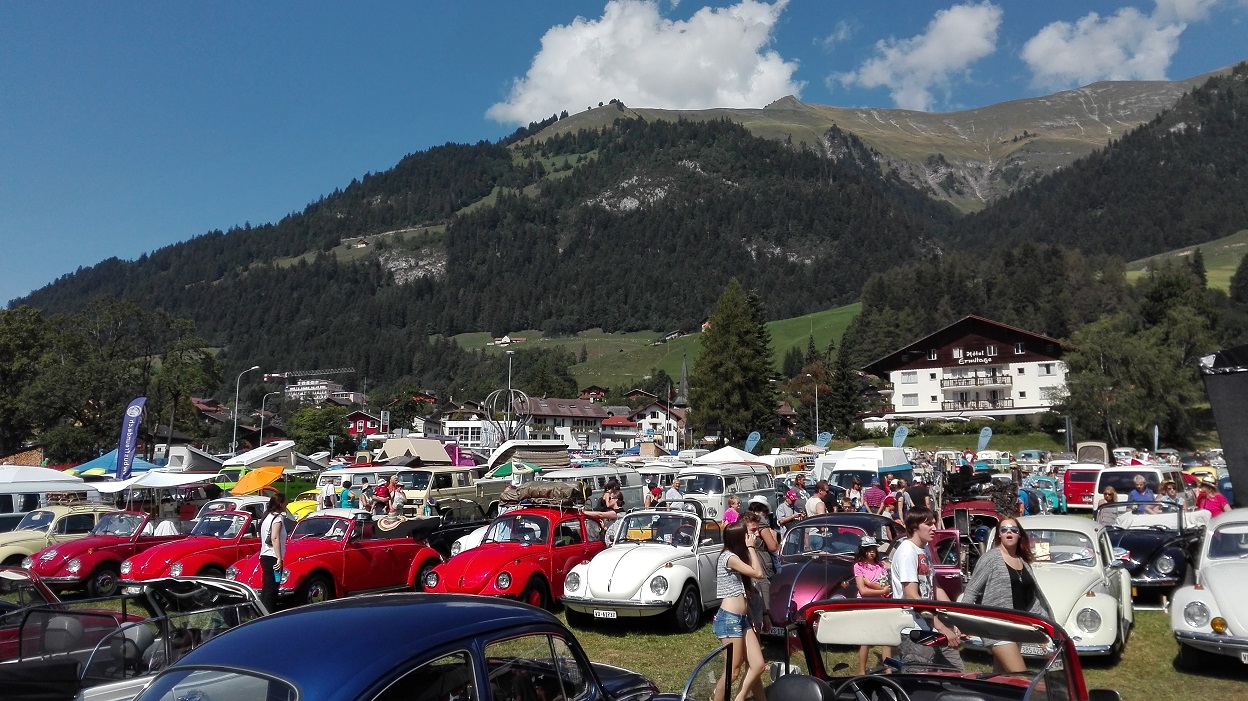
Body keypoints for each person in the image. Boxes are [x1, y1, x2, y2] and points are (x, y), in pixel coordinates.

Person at [960, 517, 1053, 673]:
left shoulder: (1023, 562)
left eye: (1013, 529)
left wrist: (1041, 627)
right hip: (996, 628)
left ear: (1019, 534)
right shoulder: (990, 558)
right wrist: (963, 623)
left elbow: (1031, 599)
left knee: (1002, 677)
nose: (1009, 532)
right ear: (999, 535)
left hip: (1016, 627)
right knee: (1020, 676)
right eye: (1004, 529)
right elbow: (972, 591)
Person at [891, 507, 964, 673]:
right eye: (929, 524)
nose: (934, 528)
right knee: (919, 680)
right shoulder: (907, 551)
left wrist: (955, 618)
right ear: (914, 527)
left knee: (957, 674)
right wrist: (941, 627)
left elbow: (935, 587)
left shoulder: (924, 549)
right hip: (915, 630)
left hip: (931, 626)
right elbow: (911, 595)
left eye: (934, 523)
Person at [710, 521, 767, 701]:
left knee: (758, 665)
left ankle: (739, 698)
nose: (752, 537)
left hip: (741, 620)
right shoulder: (728, 557)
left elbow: (756, 573)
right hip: (729, 620)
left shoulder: (736, 556)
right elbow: (758, 573)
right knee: (733, 672)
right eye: (747, 535)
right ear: (739, 538)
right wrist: (751, 548)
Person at [853, 536, 892, 674]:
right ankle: (862, 671)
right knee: (866, 639)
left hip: (881, 603)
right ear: (862, 551)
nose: (872, 552)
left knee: (886, 638)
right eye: (868, 549)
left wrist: (870, 583)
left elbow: (885, 585)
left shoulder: (880, 566)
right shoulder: (858, 566)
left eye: (873, 549)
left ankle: (888, 670)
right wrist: (881, 590)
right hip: (866, 604)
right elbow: (863, 590)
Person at [745, 501, 780, 633]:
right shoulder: (762, 523)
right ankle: (765, 622)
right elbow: (772, 546)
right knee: (763, 589)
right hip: (761, 560)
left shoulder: (746, 522)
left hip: (750, 557)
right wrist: (775, 538)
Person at [258, 494, 288, 612]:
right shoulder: (277, 518)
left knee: (269, 585)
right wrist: (279, 558)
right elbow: (275, 538)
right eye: (285, 502)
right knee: (273, 586)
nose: (287, 504)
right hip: (273, 558)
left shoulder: (267, 516)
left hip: (265, 556)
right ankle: (269, 612)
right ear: (280, 504)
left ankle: (262, 611)